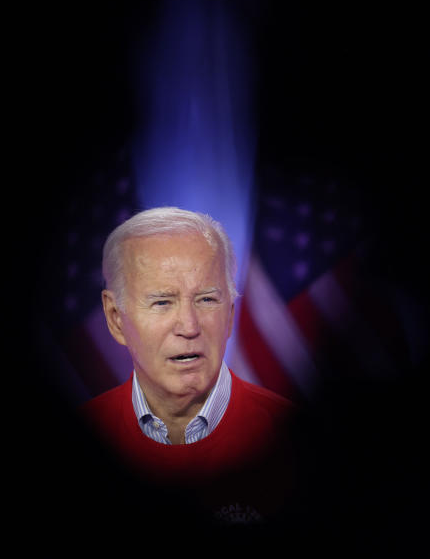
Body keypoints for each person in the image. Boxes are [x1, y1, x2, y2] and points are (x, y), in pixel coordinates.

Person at [79, 206, 298, 525]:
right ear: (115, 319)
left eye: (207, 299)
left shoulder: (294, 441)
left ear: (230, 316)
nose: (189, 326)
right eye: (162, 302)